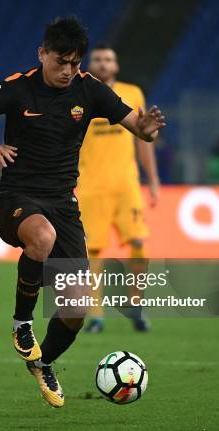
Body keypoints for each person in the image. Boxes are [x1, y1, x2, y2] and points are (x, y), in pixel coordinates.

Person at [0, 17, 165, 407]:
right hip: (16, 198)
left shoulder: (89, 90)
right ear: (42, 54)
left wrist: (146, 129)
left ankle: (43, 362)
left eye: (75, 64)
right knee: (41, 237)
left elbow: (139, 128)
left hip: (64, 204)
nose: (68, 71)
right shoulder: (17, 88)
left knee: (76, 309)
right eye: (60, 61)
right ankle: (22, 324)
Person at [77, 44, 161, 333]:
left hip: (127, 185)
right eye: (98, 59)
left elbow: (143, 140)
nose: (103, 63)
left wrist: (153, 181)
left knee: (139, 243)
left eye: (108, 59)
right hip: (90, 186)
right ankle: (96, 315)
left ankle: (135, 305)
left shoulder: (133, 92)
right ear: (90, 64)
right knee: (92, 252)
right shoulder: (78, 92)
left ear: (116, 65)